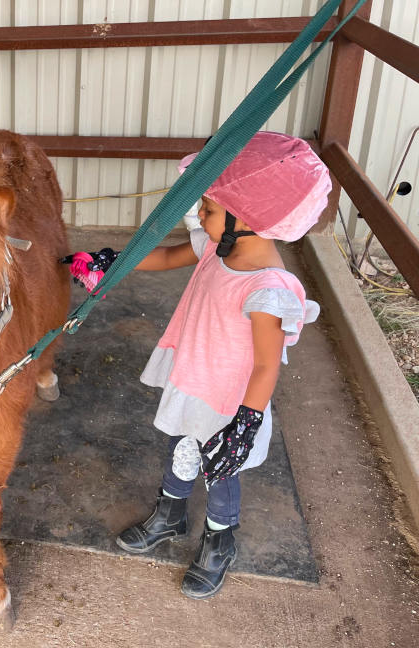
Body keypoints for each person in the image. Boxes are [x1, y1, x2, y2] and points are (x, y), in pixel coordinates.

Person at [69, 131, 331, 599]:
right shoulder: (218, 246)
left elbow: (266, 368)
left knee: (220, 471)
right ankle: (170, 516)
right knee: (178, 446)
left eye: (208, 209)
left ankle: (219, 543)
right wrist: (113, 263)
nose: (200, 215)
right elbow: (169, 255)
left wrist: (244, 425)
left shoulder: (268, 291)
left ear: (246, 220)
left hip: (231, 404)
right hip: (193, 377)